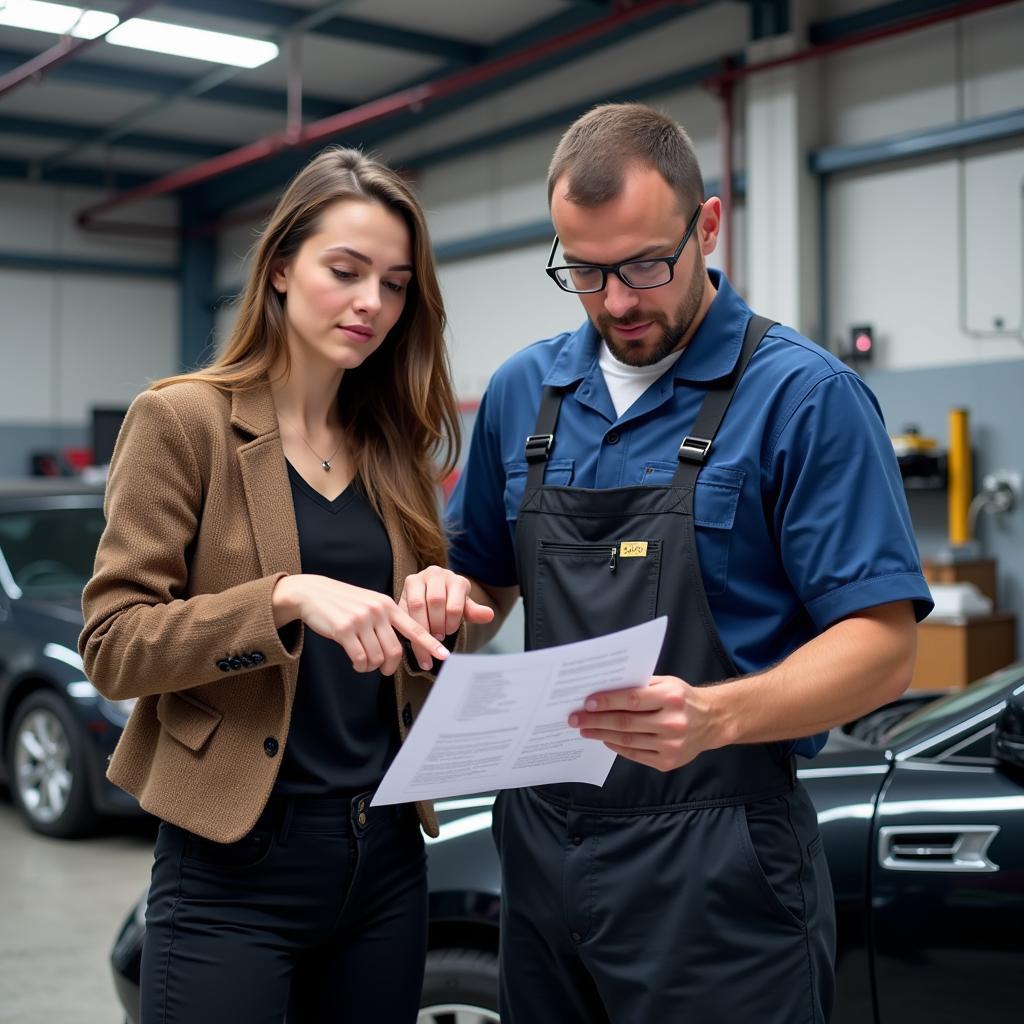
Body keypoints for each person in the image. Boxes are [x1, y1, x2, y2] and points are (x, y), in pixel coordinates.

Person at [401, 104, 933, 1022]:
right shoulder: (525, 393)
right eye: (585, 271)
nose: (617, 301)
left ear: (709, 226)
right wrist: (448, 594)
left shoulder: (804, 399)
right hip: (541, 848)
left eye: (647, 265)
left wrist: (718, 716)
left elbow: (884, 648)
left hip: (722, 864)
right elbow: (483, 577)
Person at [79, 146, 492, 1024]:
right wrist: (283, 598)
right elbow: (114, 645)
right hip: (234, 863)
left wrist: (440, 614)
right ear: (278, 269)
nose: (370, 303)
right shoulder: (182, 421)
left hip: (384, 855)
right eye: (344, 271)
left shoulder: (395, 449)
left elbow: (411, 657)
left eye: (395, 283)